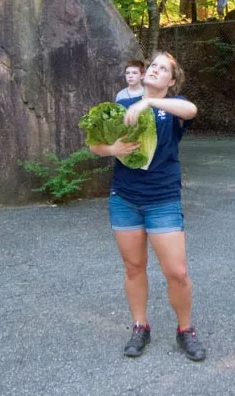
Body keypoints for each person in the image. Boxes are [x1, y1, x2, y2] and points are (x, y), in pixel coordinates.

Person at [90, 51, 206, 362]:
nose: (155, 69)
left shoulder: (172, 107)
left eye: (163, 68)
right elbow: (94, 144)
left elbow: (192, 109)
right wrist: (111, 148)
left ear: (172, 79)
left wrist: (150, 102)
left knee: (177, 272)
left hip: (163, 199)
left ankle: (185, 330)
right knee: (133, 267)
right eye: (152, 65)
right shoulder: (121, 106)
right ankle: (140, 326)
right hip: (125, 198)